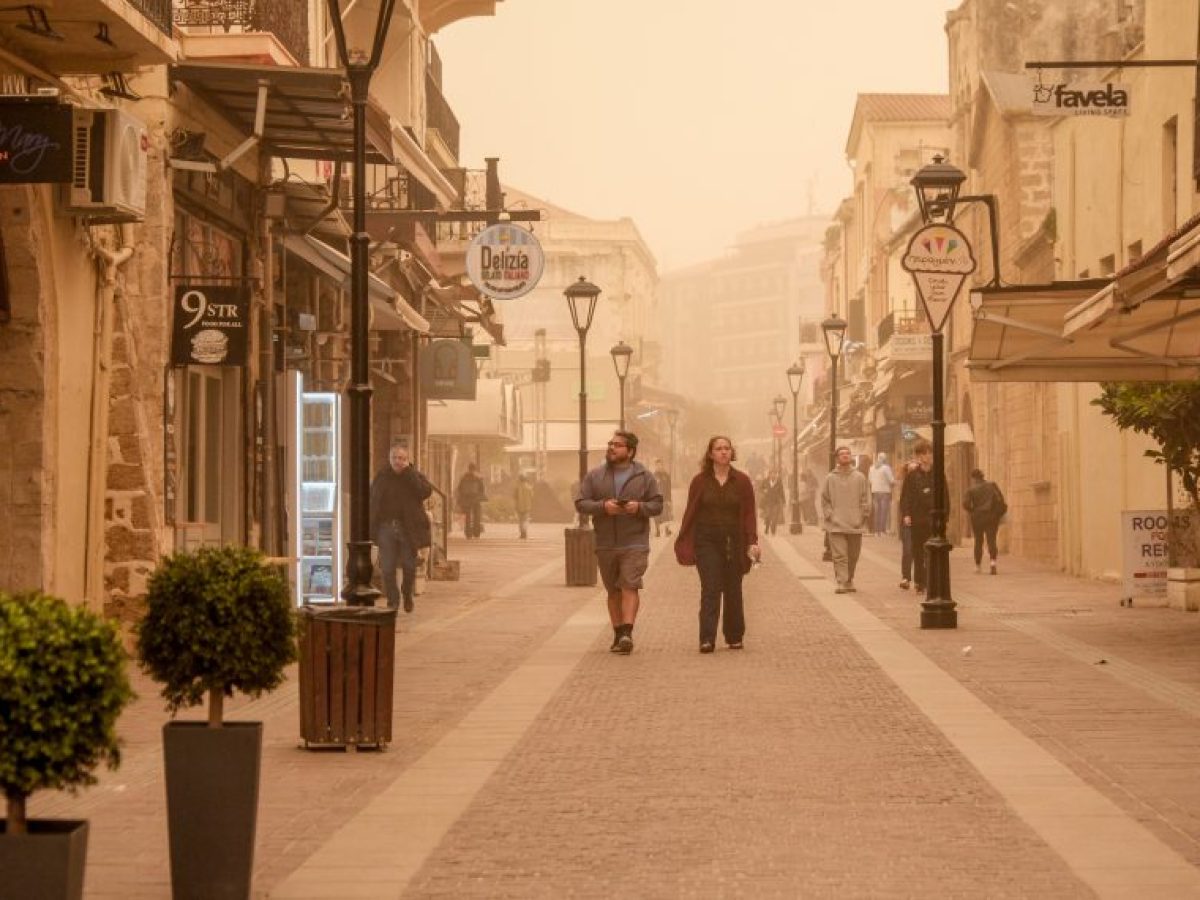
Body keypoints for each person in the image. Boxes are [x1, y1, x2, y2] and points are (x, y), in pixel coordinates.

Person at [575, 430, 663, 655]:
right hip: (605, 542)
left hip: (635, 542)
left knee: (629, 585)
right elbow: (581, 503)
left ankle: (627, 633)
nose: (612, 448)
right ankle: (618, 634)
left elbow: (657, 505)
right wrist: (603, 507)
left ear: (630, 451)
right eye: (610, 444)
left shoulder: (645, 476)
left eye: (618, 445)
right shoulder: (595, 476)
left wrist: (638, 508)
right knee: (613, 591)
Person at [674, 436, 761, 653]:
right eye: (718, 449)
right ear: (710, 454)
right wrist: (686, 539)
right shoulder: (700, 481)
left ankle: (734, 635)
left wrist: (752, 541)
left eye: (727, 448)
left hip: (734, 541)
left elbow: (749, 513)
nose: (723, 452)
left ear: (732, 453)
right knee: (711, 588)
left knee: (733, 589)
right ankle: (707, 638)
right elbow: (691, 512)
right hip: (707, 542)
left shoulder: (741, 481)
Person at [369, 444, 433, 612]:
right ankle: (393, 600)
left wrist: (409, 473)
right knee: (388, 567)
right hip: (386, 527)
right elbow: (373, 500)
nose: (398, 461)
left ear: (407, 460)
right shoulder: (382, 476)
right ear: (389, 459)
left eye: (402, 458)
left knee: (409, 566)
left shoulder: (414, 476)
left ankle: (407, 594)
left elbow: (425, 492)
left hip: (408, 529)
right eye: (395, 458)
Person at [821, 445, 871, 593]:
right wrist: (830, 514)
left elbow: (866, 498)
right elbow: (825, 500)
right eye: (842, 454)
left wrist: (863, 515)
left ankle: (849, 579)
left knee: (853, 556)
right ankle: (842, 582)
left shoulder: (860, 477)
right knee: (840, 555)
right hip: (836, 525)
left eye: (848, 453)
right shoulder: (830, 478)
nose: (845, 456)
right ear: (837, 458)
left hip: (855, 524)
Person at [898, 440, 946, 595]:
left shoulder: (938, 474)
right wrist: (906, 514)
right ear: (918, 456)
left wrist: (945, 517)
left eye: (928, 453)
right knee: (918, 552)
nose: (926, 457)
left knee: (932, 553)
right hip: (917, 519)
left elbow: (945, 496)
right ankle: (920, 582)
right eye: (923, 454)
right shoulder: (912, 476)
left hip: (934, 519)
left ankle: (931, 581)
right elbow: (905, 497)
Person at [963, 468, 1007, 575]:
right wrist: (997, 514)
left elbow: (966, 504)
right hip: (991, 517)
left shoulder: (971, 490)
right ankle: (993, 563)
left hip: (977, 518)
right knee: (991, 539)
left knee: (978, 541)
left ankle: (978, 566)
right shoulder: (992, 486)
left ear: (973, 478)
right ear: (982, 476)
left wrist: (973, 511)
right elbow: (1001, 499)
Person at [897, 459, 918, 589]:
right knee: (908, 550)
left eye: (915, 469)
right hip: (908, 521)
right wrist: (906, 515)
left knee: (921, 552)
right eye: (910, 470)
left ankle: (920, 580)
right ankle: (906, 577)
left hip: (922, 521)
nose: (913, 472)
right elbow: (903, 502)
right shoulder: (905, 484)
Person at [457, 463, 486, 539]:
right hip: (476, 499)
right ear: (475, 469)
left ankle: (468, 533)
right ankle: (476, 533)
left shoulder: (464, 477)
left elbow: (459, 488)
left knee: (468, 517)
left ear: (468, 468)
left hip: (466, 499)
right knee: (477, 516)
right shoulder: (478, 478)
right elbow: (482, 489)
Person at [869, 452, 896, 536]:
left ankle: (876, 531)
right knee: (883, 512)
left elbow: (870, 480)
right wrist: (895, 482)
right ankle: (882, 531)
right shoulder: (886, 468)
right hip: (884, 491)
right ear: (885, 459)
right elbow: (891, 480)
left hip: (875, 491)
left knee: (876, 511)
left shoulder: (872, 468)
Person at [759, 468, 786, 535]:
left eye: (775, 474)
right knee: (768, 515)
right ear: (769, 474)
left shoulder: (779, 482)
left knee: (775, 516)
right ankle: (767, 527)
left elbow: (782, 492)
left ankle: (773, 529)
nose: (773, 475)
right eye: (772, 473)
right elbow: (760, 488)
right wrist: (764, 491)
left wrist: (784, 501)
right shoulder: (765, 481)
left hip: (776, 501)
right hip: (767, 502)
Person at [652, 458, 674, 537]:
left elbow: (669, 488)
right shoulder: (653, 476)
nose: (659, 466)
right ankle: (657, 530)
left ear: (662, 465)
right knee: (657, 515)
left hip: (665, 498)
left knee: (666, 514)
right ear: (655, 466)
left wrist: (669, 500)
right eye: (657, 465)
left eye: (660, 465)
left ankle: (667, 530)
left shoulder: (666, 476)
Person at [513, 473, 534, 540]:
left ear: (520, 480)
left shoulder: (517, 488)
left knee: (520, 521)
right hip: (527, 506)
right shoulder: (529, 488)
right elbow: (532, 497)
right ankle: (524, 533)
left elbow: (515, 497)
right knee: (525, 520)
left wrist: (515, 506)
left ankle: (522, 533)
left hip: (519, 507)